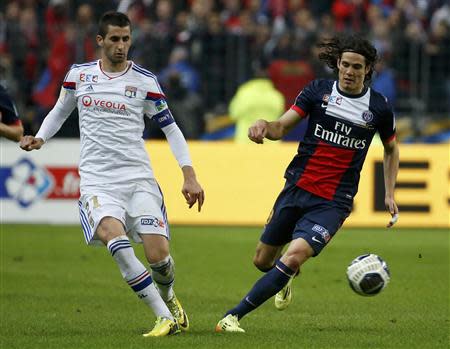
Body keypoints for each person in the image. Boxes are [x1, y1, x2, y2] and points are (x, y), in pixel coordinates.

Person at [20, 11, 204, 337]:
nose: (121, 46)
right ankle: (163, 317)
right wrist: (41, 137)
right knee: (113, 239)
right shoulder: (78, 76)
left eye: (126, 39)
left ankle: (169, 296)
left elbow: (172, 130)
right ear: (100, 41)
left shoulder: (145, 81)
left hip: (138, 179)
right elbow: (60, 111)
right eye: (115, 39)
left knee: (158, 257)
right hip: (97, 181)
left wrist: (189, 175)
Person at [215, 35, 399, 333]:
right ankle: (284, 278)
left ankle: (232, 317)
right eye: (345, 65)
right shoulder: (317, 92)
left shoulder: (378, 108)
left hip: (333, 202)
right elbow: (281, 126)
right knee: (263, 261)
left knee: (294, 255)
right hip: (297, 187)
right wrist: (264, 125)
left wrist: (390, 192)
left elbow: (391, 149)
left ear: (368, 70)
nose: (349, 71)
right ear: (337, 64)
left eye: (357, 67)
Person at [229, 59, 285, 143]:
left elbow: (233, 114)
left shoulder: (243, 93)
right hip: (272, 148)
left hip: (245, 144)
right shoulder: (277, 96)